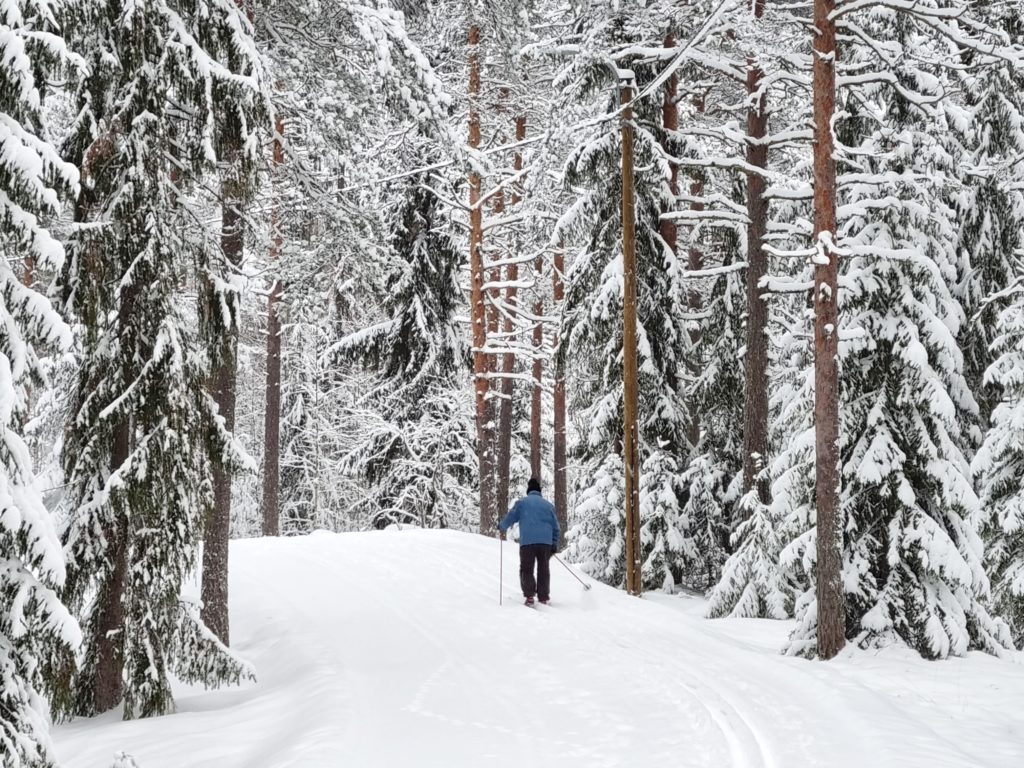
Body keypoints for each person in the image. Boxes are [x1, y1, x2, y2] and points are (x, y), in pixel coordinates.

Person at [498, 477, 560, 605]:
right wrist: (554, 543)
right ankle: (543, 597)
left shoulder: (522, 503)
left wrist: (502, 527)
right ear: (539, 491)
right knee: (543, 569)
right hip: (545, 543)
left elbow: (511, 517)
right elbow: (556, 527)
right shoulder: (548, 506)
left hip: (527, 542)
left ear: (528, 491)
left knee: (526, 569)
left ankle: (530, 596)